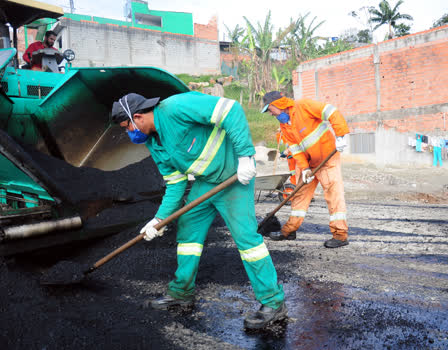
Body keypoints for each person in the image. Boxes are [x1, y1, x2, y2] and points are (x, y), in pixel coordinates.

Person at [111, 92, 286, 329]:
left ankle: (273, 303)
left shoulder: (175, 107)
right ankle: (181, 293)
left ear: (138, 116)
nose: (128, 132)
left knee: (247, 240)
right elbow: (175, 183)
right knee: (188, 231)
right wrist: (158, 220)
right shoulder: (154, 143)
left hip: (234, 176)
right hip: (207, 182)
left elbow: (231, 109)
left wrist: (246, 155)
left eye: (127, 126)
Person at [261, 91, 350, 248]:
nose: (270, 114)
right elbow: (295, 150)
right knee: (299, 196)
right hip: (310, 166)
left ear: (279, 104)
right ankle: (289, 231)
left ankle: (340, 236)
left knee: (333, 196)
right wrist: (306, 169)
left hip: (327, 160)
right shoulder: (284, 125)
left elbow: (331, 111)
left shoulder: (304, 106)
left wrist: (341, 135)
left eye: (270, 109)